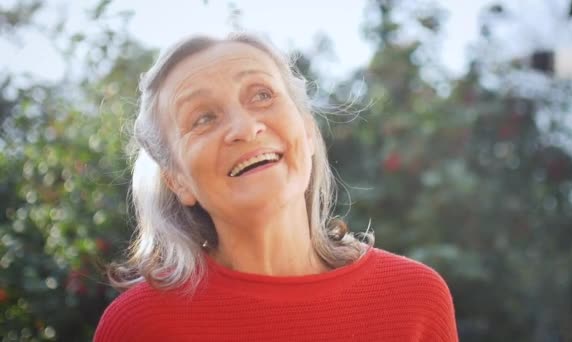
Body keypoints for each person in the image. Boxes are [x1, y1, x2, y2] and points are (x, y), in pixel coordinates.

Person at [94, 33, 458, 342]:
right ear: (178, 181)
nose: (245, 127)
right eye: (204, 118)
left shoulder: (415, 299)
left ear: (307, 130)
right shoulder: (138, 326)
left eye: (262, 95)